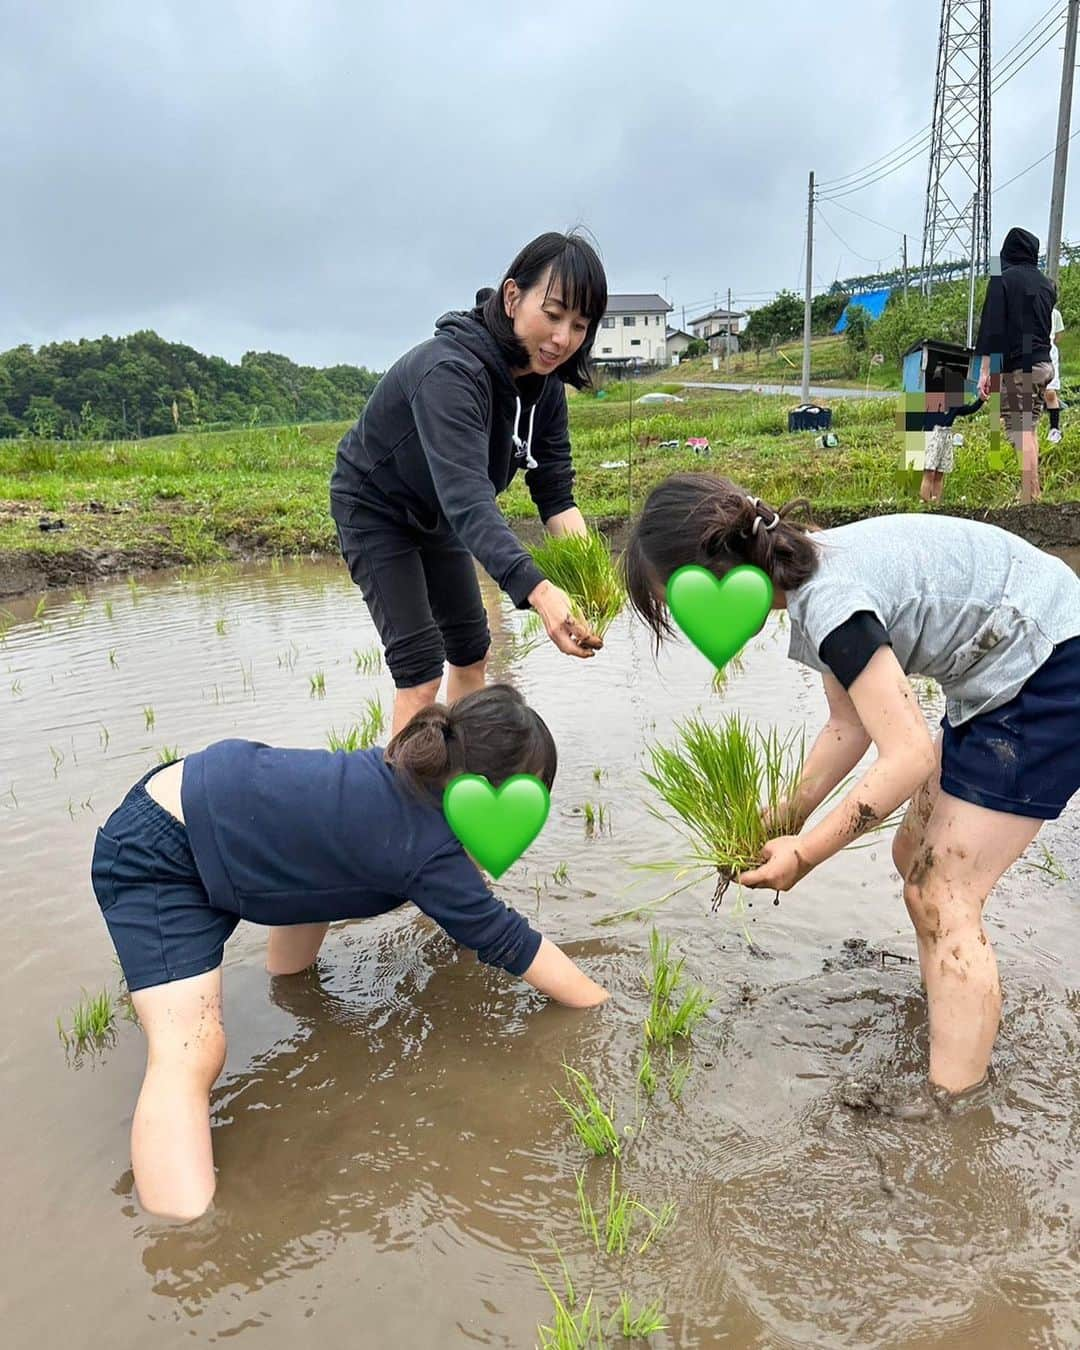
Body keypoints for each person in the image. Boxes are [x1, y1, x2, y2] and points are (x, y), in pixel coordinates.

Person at [623, 472, 1080, 1110]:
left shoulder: (830, 602)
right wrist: (785, 813)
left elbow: (909, 754)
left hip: (1050, 667)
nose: (688, 621)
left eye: (679, 601)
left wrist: (806, 853)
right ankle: (958, 1009)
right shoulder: (811, 575)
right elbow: (850, 724)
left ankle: (953, 1104)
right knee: (912, 859)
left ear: (720, 571)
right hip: (1006, 667)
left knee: (942, 894)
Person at [89, 685, 609, 1221]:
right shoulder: (425, 846)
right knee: (191, 1048)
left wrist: (291, 984)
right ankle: (183, 1236)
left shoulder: (402, 777)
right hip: (158, 853)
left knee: (314, 879)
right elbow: (508, 939)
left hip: (202, 801)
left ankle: (287, 989)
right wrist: (597, 1002)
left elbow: (322, 859)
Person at [330, 231, 609, 736]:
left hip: (441, 515)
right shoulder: (448, 373)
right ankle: (402, 807)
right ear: (511, 297)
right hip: (378, 509)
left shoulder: (545, 393)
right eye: (554, 314)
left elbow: (556, 498)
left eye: (579, 326)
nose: (563, 338)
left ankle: (457, 780)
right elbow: (470, 502)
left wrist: (596, 584)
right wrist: (541, 593)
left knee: (471, 651)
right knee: (418, 672)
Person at [974, 226, 1056, 504]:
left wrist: (985, 372)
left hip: (1020, 368)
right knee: (1029, 428)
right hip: (1044, 365)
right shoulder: (1046, 283)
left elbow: (991, 329)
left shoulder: (1002, 279)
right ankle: (1034, 494)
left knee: (1019, 431)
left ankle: (1028, 500)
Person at [909, 364, 984, 503]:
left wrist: (981, 399)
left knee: (939, 473)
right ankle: (925, 504)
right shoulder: (930, 398)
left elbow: (970, 409)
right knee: (929, 472)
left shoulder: (954, 403)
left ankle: (936, 503)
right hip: (931, 435)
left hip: (946, 436)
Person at [1045, 304, 1065, 444]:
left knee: (1050, 392)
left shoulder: (1055, 314)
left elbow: (1058, 336)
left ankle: (1054, 429)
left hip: (1050, 353)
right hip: (1030, 350)